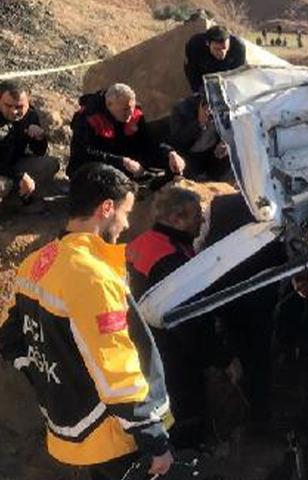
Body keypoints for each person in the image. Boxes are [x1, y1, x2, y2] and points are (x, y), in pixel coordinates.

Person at [0, 163, 173, 479]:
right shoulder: (92, 277)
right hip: (115, 433)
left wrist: (43, 376)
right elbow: (115, 365)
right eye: (125, 213)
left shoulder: (35, 262)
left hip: (73, 418)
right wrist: (153, 436)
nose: (125, 223)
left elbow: (11, 338)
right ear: (106, 208)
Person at [127, 186, 239, 448]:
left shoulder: (144, 243)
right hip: (173, 356)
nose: (201, 220)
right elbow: (188, 323)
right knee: (185, 413)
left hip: (143, 346)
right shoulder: (169, 261)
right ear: (176, 219)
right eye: (195, 215)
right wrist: (222, 359)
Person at [69, 83, 186, 179]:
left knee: (168, 162)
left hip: (125, 161)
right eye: (125, 110)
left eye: (132, 108)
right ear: (109, 104)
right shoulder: (88, 117)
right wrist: (121, 161)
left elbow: (147, 141)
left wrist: (170, 153)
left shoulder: (134, 113)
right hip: (92, 167)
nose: (130, 114)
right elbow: (84, 153)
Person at [0, 80, 59, 209]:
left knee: (50, 164)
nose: (14, 112)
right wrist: (18, 177)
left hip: (14, 162)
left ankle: (15, 201)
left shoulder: (30, 116)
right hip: (3, 169)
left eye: (19, 107)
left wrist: (39, 138)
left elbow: (39, 152)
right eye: (8, 106)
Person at [169, 93, 230, 180]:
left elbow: (231, 129)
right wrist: (199, 123)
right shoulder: (181, 109)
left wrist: (225, 142)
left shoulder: (224, 106)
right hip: (191, 155)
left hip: (213, 152)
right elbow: (179, 140)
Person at [184, 25, 247, 93]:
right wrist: (199, 91)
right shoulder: (195, 46)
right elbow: (192, 72)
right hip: (204, 72)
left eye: (224, 48)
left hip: (227, 74)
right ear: (207, 43)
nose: (221, 53)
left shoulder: (238, 48)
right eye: (216, 49)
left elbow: (239, 74)